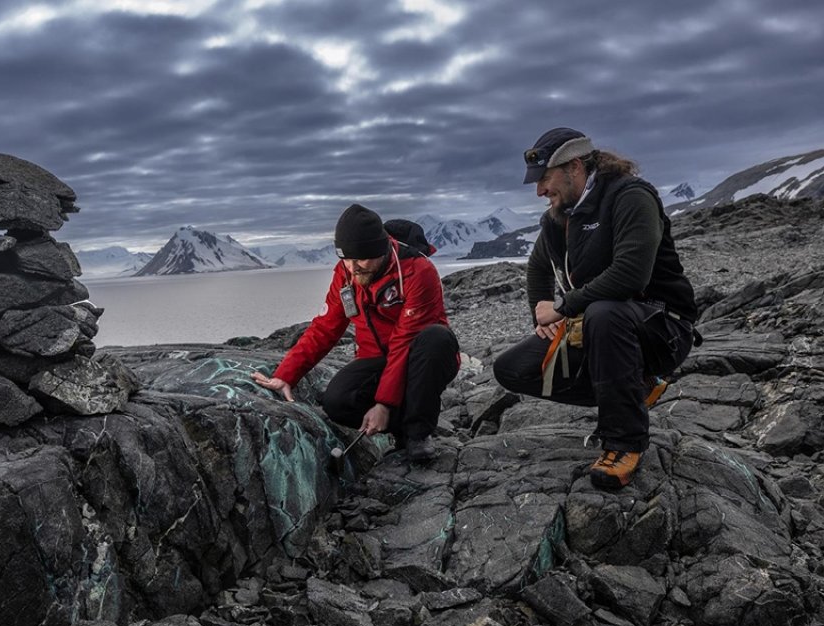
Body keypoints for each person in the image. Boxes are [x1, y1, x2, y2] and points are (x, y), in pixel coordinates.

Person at [493, 127, 699, 489]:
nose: (539, 191)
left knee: (604, 312)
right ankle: (634, 388)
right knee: (512, 369)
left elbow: (630, 274)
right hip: (602, 331)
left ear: (574, 167)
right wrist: (539, 311)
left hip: (662, 326)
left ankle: (624, 442)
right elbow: (539, 266)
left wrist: (563, 307)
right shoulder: (560, 215)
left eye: (544, 179)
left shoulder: (630, 197)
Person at [252, 204, 460, 461]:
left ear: (381, 250)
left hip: (421, 359)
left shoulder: (417, 271)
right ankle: (400, 424)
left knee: (436, 338)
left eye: (360, 259)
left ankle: (417, 433)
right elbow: (325, 327)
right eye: (346, 259)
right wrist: (286, 375)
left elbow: (403, 342)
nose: (353, 267)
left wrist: (384, 404)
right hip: (377, 361)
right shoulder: (346, 273)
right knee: (337, 401)